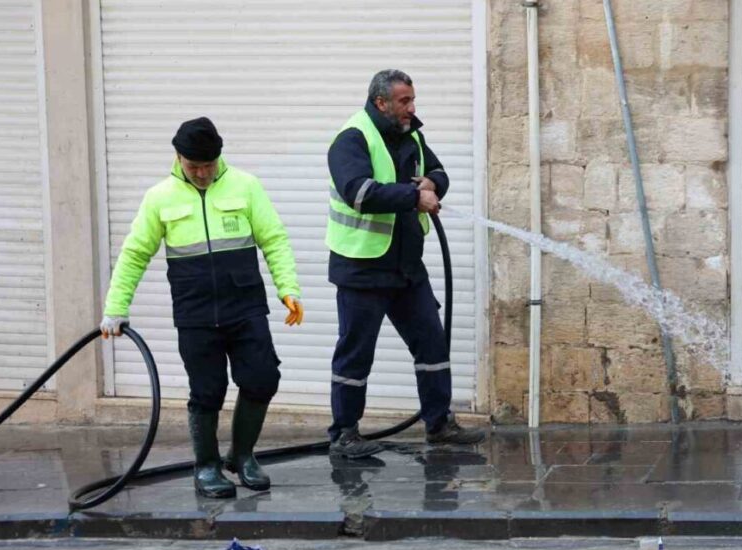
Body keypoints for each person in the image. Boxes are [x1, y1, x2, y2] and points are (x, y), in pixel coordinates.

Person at [100, 117, 303, 498]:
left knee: (262, 379)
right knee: (207, 391)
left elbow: (274, 239)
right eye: (194, 166)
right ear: (178, 158)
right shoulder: (159, 197)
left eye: (209, 165)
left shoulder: (246, 186)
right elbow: (134, 255)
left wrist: (287, 289)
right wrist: (116, 307)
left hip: (245, 307)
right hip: (195, 314)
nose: (203, 173)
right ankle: (206, 466)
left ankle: (242, 456)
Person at [325, 69, 484, 459]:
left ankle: (439, 424)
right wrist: (414, 199)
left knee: (431, 341)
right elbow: (358, 193)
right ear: (381, 102)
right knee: (356, 352)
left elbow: (439, 172)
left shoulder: (411, 133)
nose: (412, 108)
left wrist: (431, 185)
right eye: (404, 101)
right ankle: (344, 433)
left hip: (406, 267)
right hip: (363, 267)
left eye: (412, 99)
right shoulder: (351, 139)